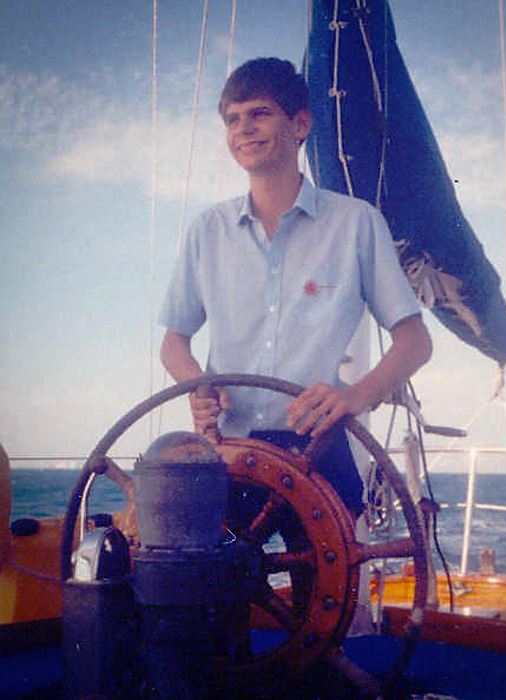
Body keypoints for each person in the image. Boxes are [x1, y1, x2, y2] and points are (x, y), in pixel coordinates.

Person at [159, 57, 431, 518]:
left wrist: (353, 397)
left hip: (320, 448)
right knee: (217, 565)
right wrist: (197, 386)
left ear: (300, 125)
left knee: (334, 567)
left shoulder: (357, 223)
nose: (243, 128)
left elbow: (415, 342)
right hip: (229, 449)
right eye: (232, 119)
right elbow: (173, 343)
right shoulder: (207, 231)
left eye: (260, 113)